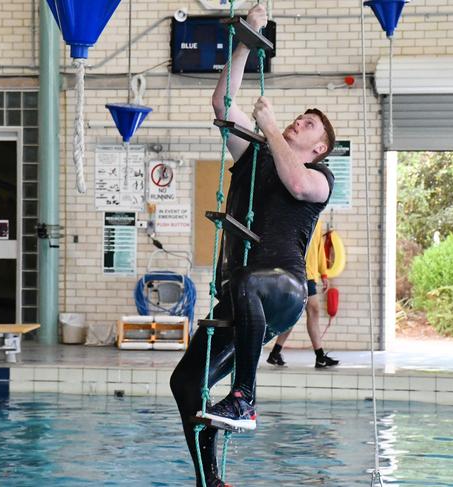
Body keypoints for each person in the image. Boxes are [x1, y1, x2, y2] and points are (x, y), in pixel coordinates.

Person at [169, 5, 335, 486]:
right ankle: (210, 479)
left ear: (319, 148)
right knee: (185, 385)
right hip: (241, 298)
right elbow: (223, 104)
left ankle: (246, 395)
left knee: (247, 281)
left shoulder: (319, 178)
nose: (297, 124)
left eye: (307, 125)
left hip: (282, 288)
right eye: (298, 119)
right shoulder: (256, 153)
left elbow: (295, 182)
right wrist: (246, 39)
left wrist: (269, 125)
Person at [266, 218, 340, 368]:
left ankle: (275, 353)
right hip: (296, 272)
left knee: (295, 314)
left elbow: (319, 250)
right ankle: (320, 357)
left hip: (310, 274)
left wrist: (324, 273)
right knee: (313, 310)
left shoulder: (317, 220)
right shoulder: (296, 217)